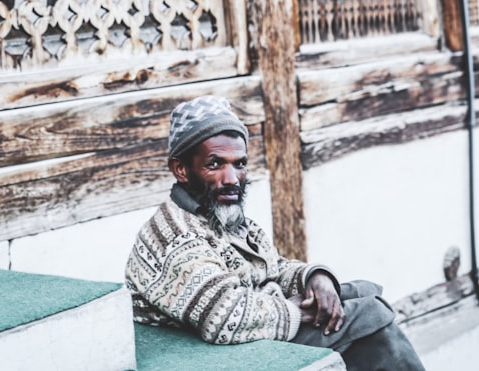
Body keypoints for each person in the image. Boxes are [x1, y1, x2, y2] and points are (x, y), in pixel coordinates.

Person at [125, 95, 426, 371]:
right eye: (214, 164)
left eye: (239, 164)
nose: (232, 179)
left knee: (361, 292)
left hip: (250, 320)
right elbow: (225, 317)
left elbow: (273, 266)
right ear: (181, 169)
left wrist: (314, 277)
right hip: (209, 352)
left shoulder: (217, 213)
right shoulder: (177, 235)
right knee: (370, 316)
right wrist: (299, 310)